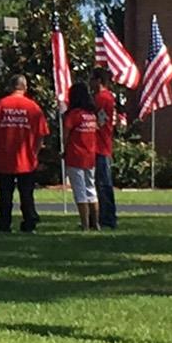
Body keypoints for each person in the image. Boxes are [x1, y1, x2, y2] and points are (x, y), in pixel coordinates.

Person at [0, 75, 49, 233]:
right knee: (27, 195)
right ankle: (29, 223)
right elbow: (42, 134)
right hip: (26, 159)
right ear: (25, 87)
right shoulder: (33, 107)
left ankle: (4, 224)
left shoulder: (0, 105)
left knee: (5, 195)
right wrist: (34, 152)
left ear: (10, 86)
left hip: (4, 158)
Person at [62, 86, 105, 231]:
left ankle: (85, 224)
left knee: (79, 191)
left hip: (75, 156)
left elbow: (66, 136)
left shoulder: (73, 115)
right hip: (90, 156)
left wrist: (64, 150)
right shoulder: (91, 115)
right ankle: (96, 223)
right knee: (91, 190)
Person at [93, 71, 124, 230]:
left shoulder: (102, 98)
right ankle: (103, 217)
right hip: (104, 145)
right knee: (102, 183)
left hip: (100, 145)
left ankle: (107, 218)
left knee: (103, 184)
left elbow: (99, 121)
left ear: (98, 80)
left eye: (92, 79)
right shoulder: (110, 98)